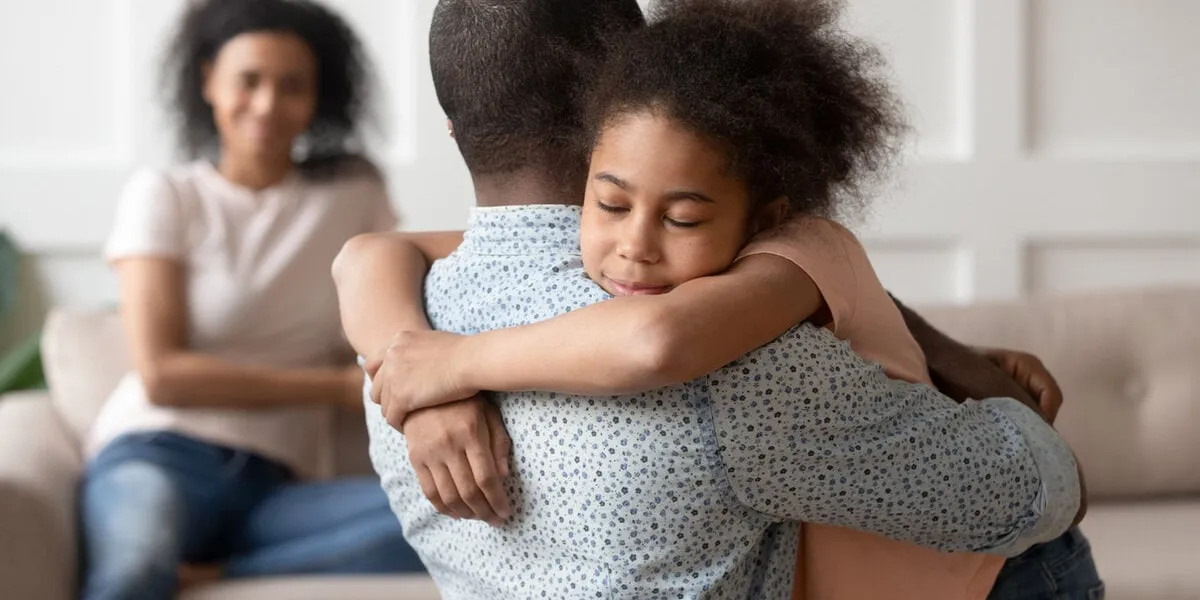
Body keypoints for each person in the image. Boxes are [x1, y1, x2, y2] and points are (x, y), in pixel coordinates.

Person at [337, 0, 1102, 598]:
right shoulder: (729, 360)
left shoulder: (399, 352)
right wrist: (997, 401)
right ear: (612, 106)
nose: (641, 243)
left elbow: (372, 255)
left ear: (450, 124)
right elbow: (1034, 492)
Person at [79, 1, 423, 598]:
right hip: (158, 454)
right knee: (135, 568)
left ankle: (219, 572)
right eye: (249, 80)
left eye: (292, 86)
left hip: (278, 486)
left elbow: (396, 313)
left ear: (319, 96)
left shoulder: (354, 193)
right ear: (209, 80)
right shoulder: (165, 194)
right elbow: (163, 376)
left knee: (455, 517)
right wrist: (334, 389)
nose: (267, 104)